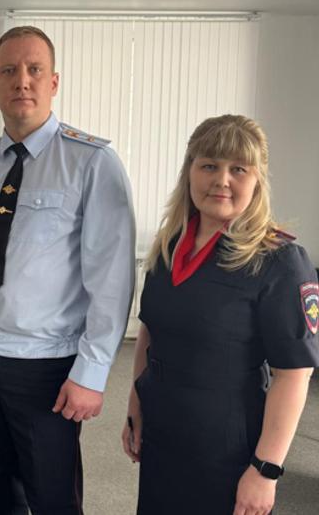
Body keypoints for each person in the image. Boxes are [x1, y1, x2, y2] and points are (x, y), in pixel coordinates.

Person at [0, 26, 135, 514]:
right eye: (9, 70)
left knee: (52, 498)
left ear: (53, 82)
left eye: (34, 69)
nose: (21, 80)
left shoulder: (92, 162)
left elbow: (111, 280)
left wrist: (92, 373)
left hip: (48, 364)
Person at [120, 115, 319, 515]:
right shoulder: (169, 247)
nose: (221, 180)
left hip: (227, 448)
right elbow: (151, 331)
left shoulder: (279, 261)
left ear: (257, 180)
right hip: (163, 433)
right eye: (209, 165)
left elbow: (294, 374)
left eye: (238, 169)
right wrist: (135, 405)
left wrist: (265, 470)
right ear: (190, 171)